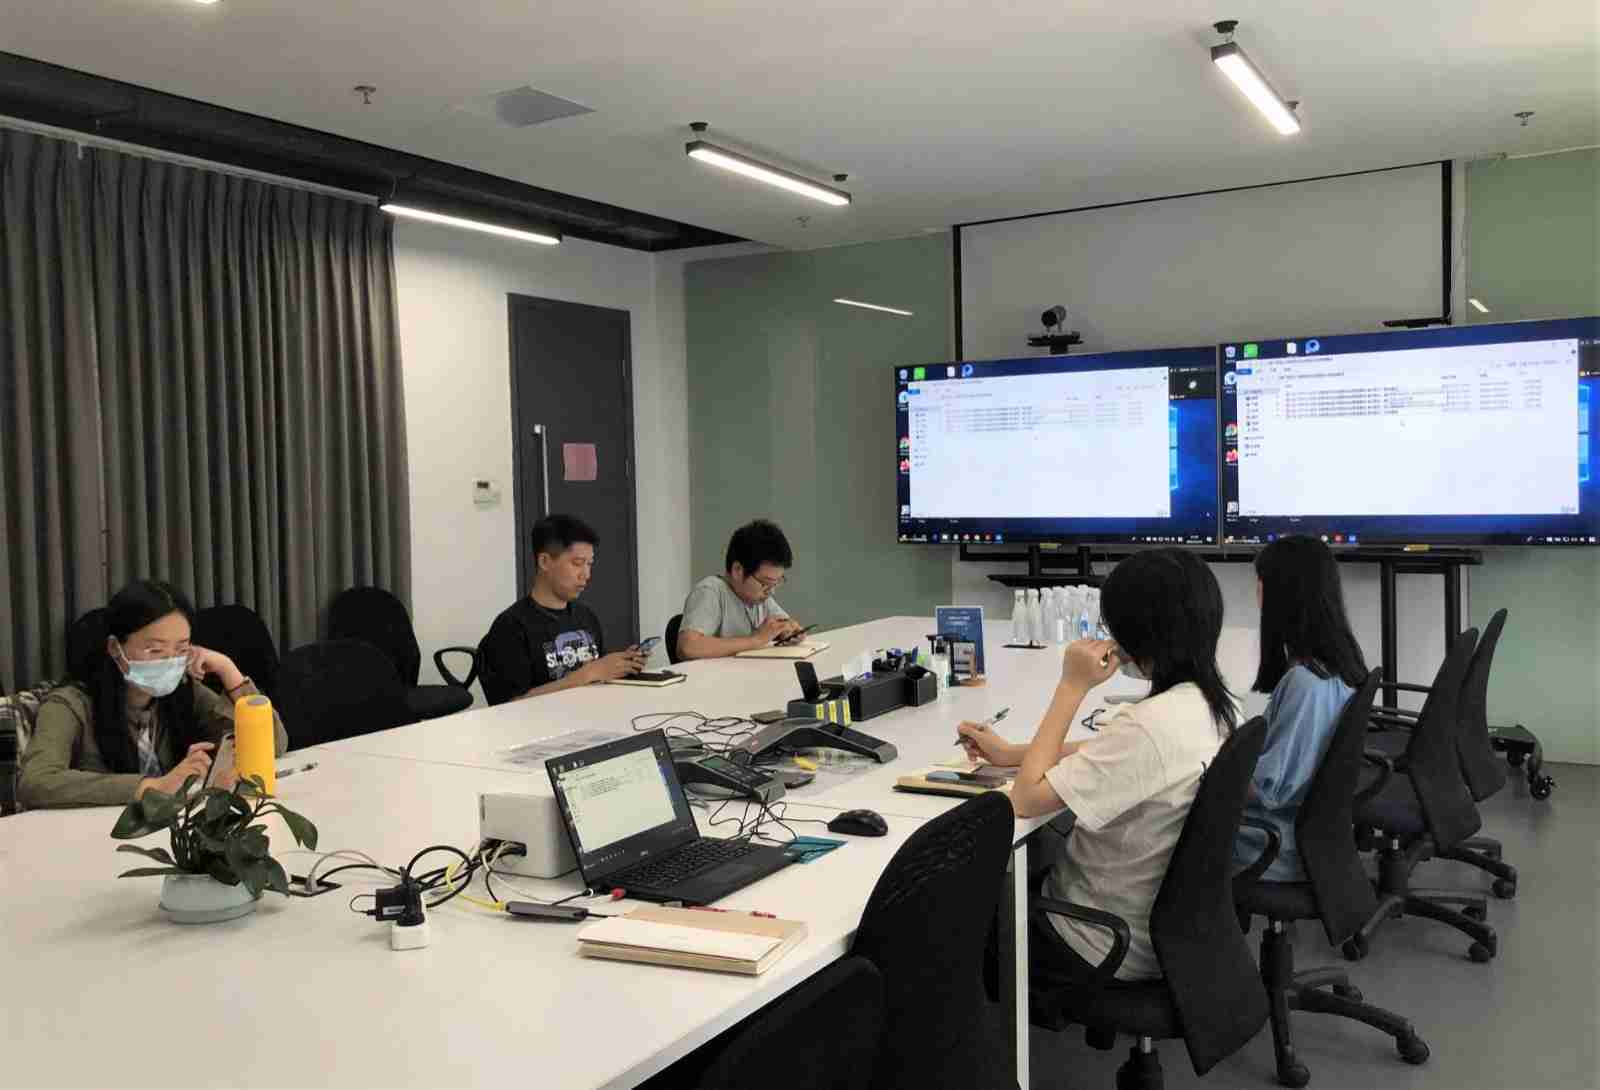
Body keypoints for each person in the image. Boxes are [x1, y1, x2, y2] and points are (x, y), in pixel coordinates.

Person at [956, 548, 1237, 983]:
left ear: (1135, 633)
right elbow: (1111, 749)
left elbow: (1025, 801)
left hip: (1096, 938)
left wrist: (1071, 686)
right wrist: (1013, 754)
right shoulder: (1213, 704)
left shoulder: (1147, 725)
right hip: (1168, 935)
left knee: (956, 915)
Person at [16, 580, 289, 809]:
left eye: (181, 649)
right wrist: (151, 787)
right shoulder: (71, 703)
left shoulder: (185, 690)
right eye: (155, 650)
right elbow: (35, 782)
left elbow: (272, 745)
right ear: (114, 648)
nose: (169, 661)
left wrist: (229, 671)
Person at [1231, 535, 1369, 880]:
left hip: (1271, 847)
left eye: (1260, 583)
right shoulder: (1336, 668)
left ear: (1280, 594)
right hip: (1304, 840)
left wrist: (1205, 773)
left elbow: (1268, 790)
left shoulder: (1305, 684)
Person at [478, 514, 646, 705]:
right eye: (577, 563)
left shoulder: (586, 616)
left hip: (593, 713)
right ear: (544, 562)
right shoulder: (511, 627)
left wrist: (621, 665)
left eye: (589, 564)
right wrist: (587, 674)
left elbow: (597, 676)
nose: (586, 575)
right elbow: (511, 705)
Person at [676, 519, 803, 660]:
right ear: (737, 570)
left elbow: (783, 624)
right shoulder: (710, 591)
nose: (771, 591)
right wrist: (756, 640)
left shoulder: (760, 598)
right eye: (765, 583)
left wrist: (787, 632)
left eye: (776, 583)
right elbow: (688, 648)